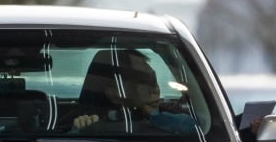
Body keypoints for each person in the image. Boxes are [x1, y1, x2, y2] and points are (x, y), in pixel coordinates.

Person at [72, 49, 200, 135]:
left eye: (154, 79)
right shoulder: (93, 124)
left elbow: (200, 127)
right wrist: (83, 129)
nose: (155, 88)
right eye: (145, 81)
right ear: (114, 93)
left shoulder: (172, 114)